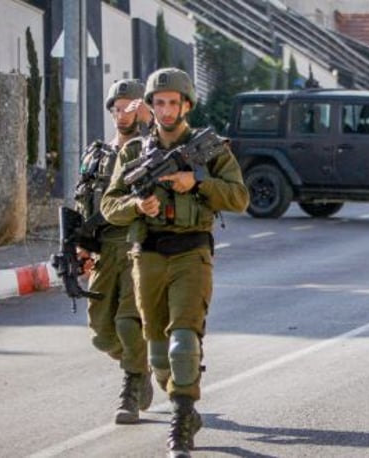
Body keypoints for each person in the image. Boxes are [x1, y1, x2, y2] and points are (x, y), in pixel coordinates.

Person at [100, 67, 249, 458]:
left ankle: (182, 422)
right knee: (158, 354)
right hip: (147, 255)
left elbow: (239, 197)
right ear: (150, 107)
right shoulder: (134, 153)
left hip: (191, 252)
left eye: (173, 102)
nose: (166, 110)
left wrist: (196, 183)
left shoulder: (210, 148)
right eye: (159, 103)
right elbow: (109, 205)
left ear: (186, 105)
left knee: (184, 343)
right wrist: (137, 204)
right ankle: (175, 396)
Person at [75, 78, 153, 425]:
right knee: (101, 333)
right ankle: (141, 366)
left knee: (128, 321)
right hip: (105, 247)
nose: (122, 114)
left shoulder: (151, 148)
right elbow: (82, 201)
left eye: (130, 107)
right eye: (117, 108)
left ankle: (131, 389)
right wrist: (80, 246)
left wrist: (150, 123)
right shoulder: (98, 153)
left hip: (138, 243)